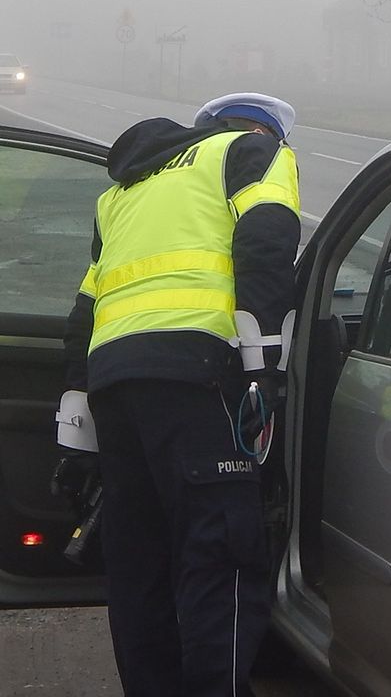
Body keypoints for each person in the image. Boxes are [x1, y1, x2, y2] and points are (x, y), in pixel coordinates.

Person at [55, 92, 301, 696]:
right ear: (272, 134)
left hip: (116, 383)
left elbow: (85, 311)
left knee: (140, 565)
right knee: (221, 555)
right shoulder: (252, 153)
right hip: (200, 374)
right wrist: (263, 367)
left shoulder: (123, 193)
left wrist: (75, 425)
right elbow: (267, 244)